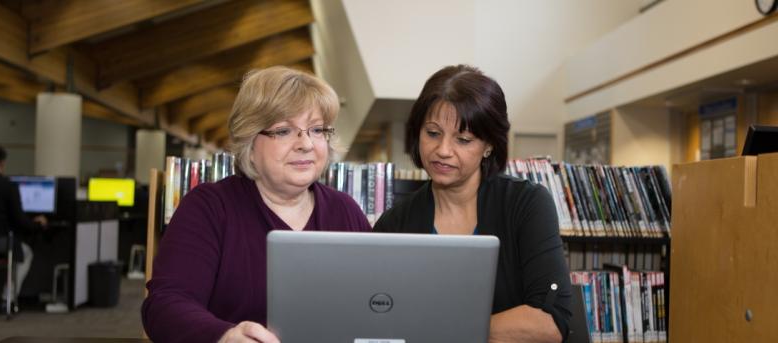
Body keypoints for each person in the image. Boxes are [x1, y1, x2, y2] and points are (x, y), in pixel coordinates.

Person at [142, 66, 372, 343]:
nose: (306, 144)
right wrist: (223, 337)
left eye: (316, 129)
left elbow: (374, 303)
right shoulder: (210, 208)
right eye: (284, 130)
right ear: (250, 144)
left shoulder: (345, 210)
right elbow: (165, 305)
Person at [373, 65, 572, 342]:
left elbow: (549, 323)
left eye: (463, 139)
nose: (443, 150)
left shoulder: (526, 205)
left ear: (488, 146)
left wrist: (437, 332)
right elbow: (379, 319)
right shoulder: (393, 225)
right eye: (432, 133)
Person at [0, 145, 47, 305]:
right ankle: (7, 296)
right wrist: (37, 224)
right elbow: (20, 221)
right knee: (26, 252)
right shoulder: (6, 185)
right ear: (1, 164)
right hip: (0, 245)